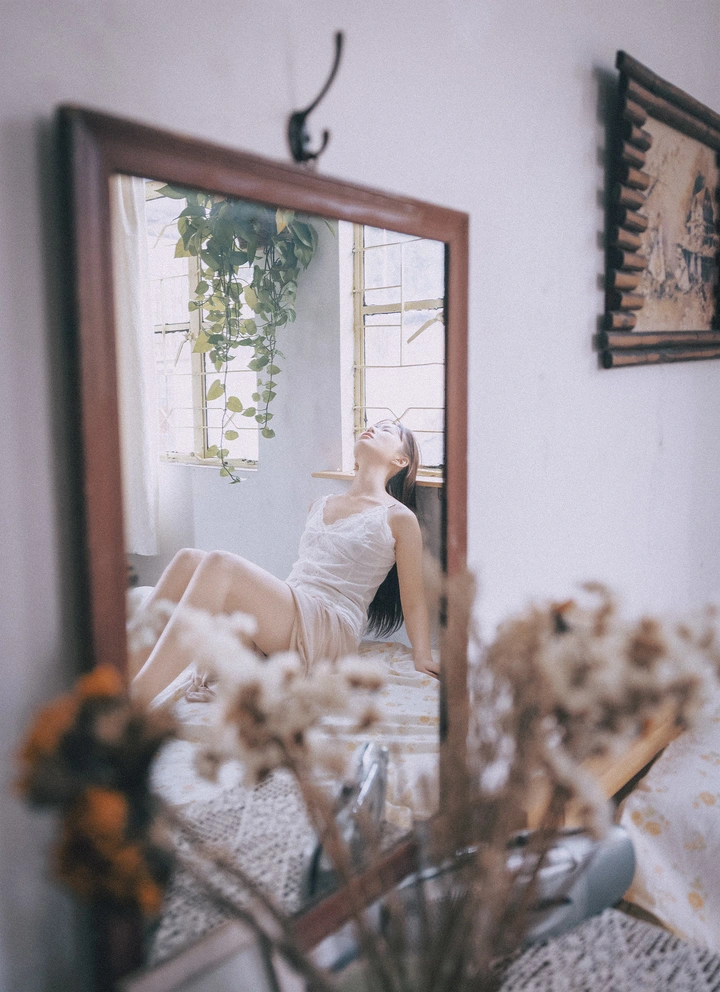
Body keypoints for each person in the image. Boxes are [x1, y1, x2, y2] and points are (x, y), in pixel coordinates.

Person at [129, 421, 438, 707]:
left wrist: (422, 655)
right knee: (188, 559)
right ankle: (120, 677)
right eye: (372, 425)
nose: (372, 428)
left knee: (220, 564)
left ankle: (136, 702)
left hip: (330, 627)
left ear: (401, 460)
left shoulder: (398, 517)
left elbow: (413, 601)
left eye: (386, 430)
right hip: (295, 609)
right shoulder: (321, 504)